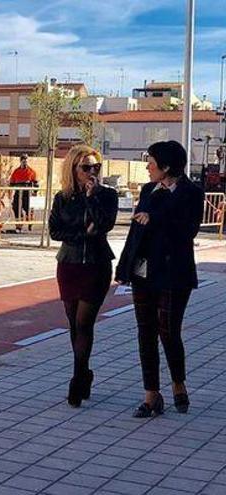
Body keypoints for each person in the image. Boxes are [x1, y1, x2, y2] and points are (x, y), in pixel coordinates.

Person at [116, 140, 203, 418]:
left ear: (165, 167)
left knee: (168, 330)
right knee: (145, 332)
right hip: (144, 271)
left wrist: (154, 218)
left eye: (151, 162)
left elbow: (187, 231)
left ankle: (178, 383)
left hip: (175, 273)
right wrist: (123, 269)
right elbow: (136, 232)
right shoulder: (147, 190)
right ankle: (151, 394)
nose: (147, 167)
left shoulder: (191, 192)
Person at [49, 145, 119, 408]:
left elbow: (104, 225)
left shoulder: (108, 195)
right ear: (73, 169)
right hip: (68, 265)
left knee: (84, 323)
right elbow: (55, 230)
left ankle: (77, 380)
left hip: (96, 265)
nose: (92, 172)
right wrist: (83, 233)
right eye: (86, 167)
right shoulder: (62, 197)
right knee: (73, 324)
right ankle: (85, 372)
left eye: (96, 167)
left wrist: (92, 196)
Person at [9, 154, 38, 232]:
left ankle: (30, 223)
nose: (25, 162)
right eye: (23, 161)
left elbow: (36, 183)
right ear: (20, 161)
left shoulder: (31, 171)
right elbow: (11, 183)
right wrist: (10, 192)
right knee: (16, 207)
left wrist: (35, 192)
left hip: (27, 193)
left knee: (28, 209)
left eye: (26, 161)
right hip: (18, 192)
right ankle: (19, 226)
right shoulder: (16, 171)